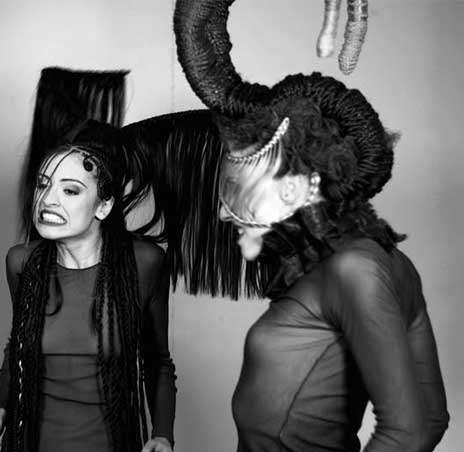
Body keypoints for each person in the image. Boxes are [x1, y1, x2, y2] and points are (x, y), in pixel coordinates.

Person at [161, 1, 450, 450]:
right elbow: (430, 418)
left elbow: (412, 431)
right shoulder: (365, 263)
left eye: (235, 186)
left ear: (294, 189)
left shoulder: (354, 269)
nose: (221, 212)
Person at [0, 114, 176, 452]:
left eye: (70, 190)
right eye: (43, 185)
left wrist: (163, 434)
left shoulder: (144, 264)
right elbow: (18, 347)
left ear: (104, 205)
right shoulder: (21, 263)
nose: (48, 200)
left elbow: (158, 362)